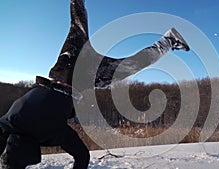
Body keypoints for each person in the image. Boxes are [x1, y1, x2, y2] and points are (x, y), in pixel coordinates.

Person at [0, 0, 190, 168]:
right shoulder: (8, 124)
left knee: (130, 65)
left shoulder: (51, 132)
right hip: (63, 67)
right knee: (77, 25)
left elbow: (82, 155)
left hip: (81, 77)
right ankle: (169, 40)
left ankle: (169, 41)